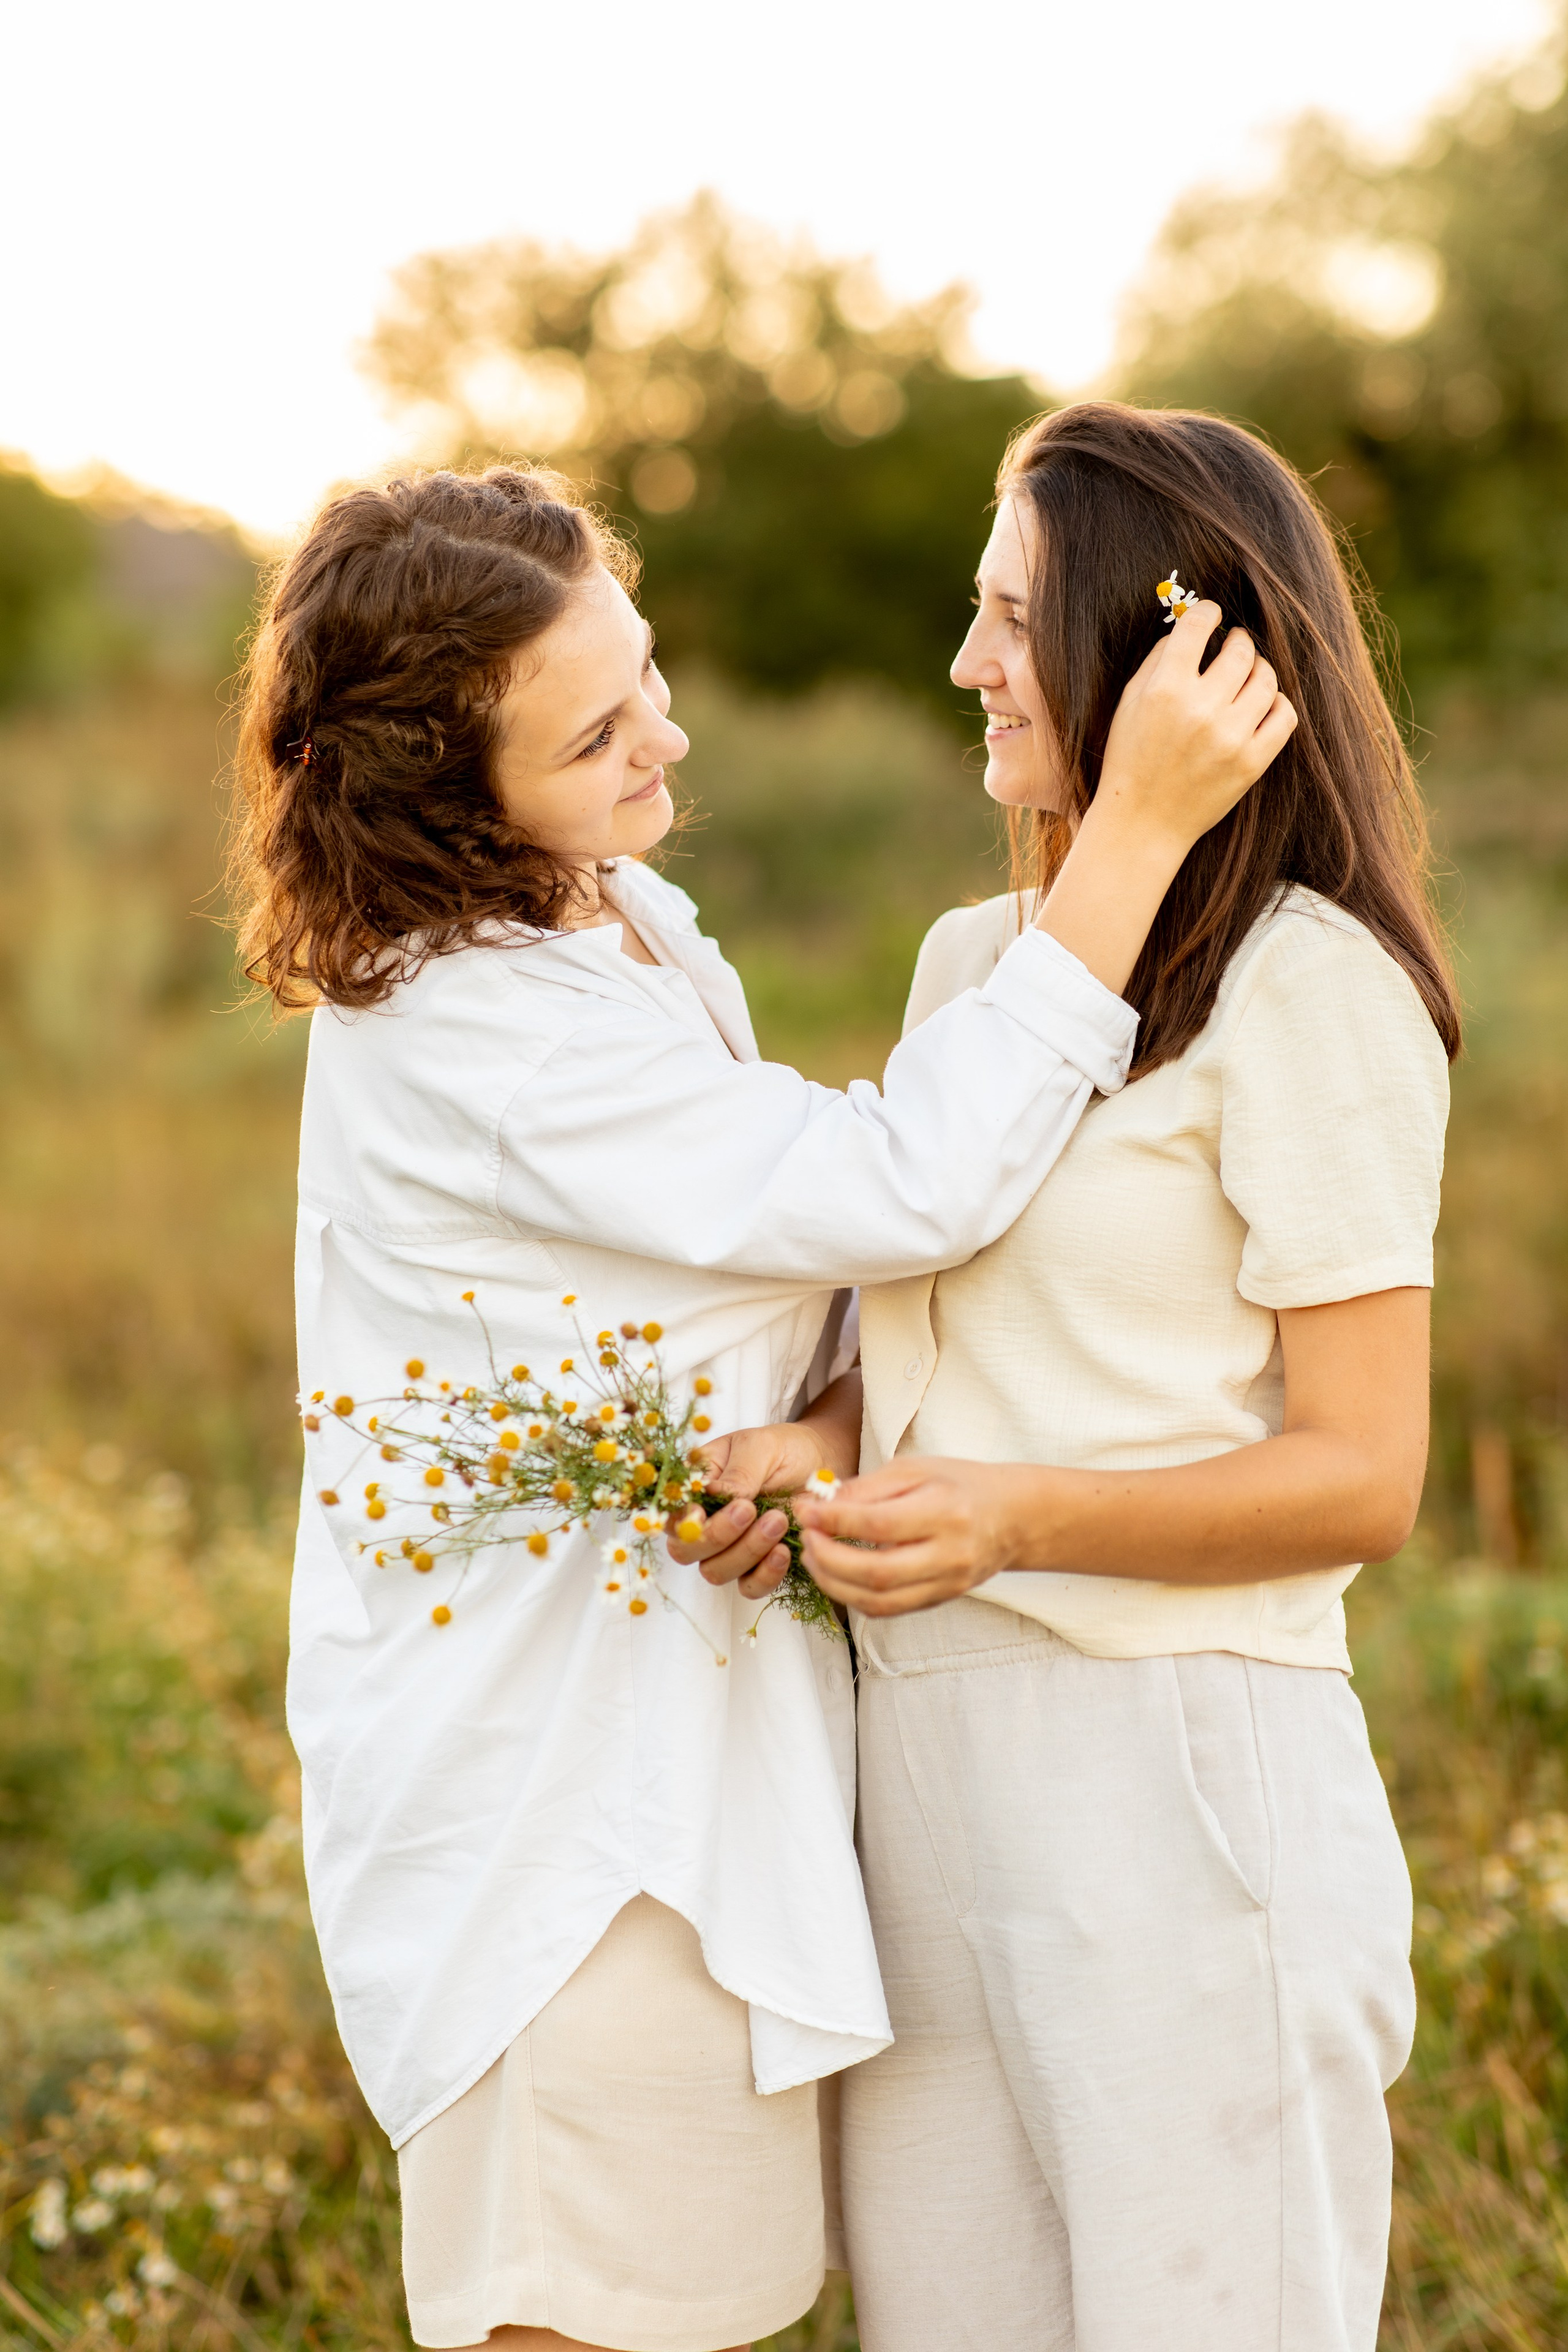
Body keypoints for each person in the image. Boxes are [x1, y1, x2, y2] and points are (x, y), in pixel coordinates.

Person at [230, 461, 1291, 2352]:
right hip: (555, 1818)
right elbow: (896, 1191)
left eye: (643, 675)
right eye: (595, 733)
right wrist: (1133, 837)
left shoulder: (619, 911)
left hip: (692, 1774)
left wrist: (814, 1426)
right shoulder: (469, 1016)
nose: (667, 737)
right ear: (441, 792)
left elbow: (769, 1274)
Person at [687, 403, 1458, 2352]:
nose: (969, 667)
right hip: (927, 1786)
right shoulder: (976, 964)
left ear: (1160, 649)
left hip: (1182, 1780)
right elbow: (964, 1311)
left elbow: (1364, 1477)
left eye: (1013, 619)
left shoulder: (1314, 984)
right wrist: (828, 1437)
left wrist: (1018, 1516)